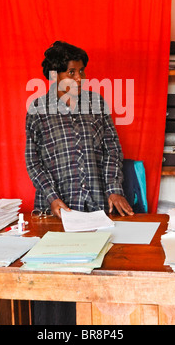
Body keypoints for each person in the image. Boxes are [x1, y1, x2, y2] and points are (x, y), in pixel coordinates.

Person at [25, 41, 133, 219]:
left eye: (81, 70)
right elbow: (33, 162)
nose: (79, 77)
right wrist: (52, 197)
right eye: (71, 72)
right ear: (55, 76)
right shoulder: (37, 110)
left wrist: (114, 189)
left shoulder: (96, 103)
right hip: (58, 209)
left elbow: (112, 151)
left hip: (99, 205)